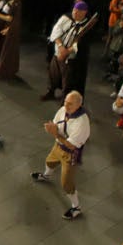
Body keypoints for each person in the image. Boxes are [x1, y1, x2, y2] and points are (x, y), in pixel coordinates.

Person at [31, 90, 91, 219]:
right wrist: (51, 127)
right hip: (58, 145)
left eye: (70, 104)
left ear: (78, 105)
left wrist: (55, 134)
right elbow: (56, 123)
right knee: (49, 161)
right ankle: (46, 176)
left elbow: (71, 145)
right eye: (65, 102)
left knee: (66, 183)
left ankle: (76, 207)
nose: (66, 106)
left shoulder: (82, 123)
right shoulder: (63, 110)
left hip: (69, 154)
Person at [42, 0, 98, 101]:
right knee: (53, 74)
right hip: (58, 52)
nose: (74, 13)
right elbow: (56, 31)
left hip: (72, 59)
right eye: (74, 10)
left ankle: (65, 100)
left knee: (67, 81)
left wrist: (67, 52)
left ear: (84, 12)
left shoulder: (88, 27)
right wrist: (60, 47)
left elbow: (80, 44)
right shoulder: (66, 18)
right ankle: (50, 91)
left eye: (78, 11)